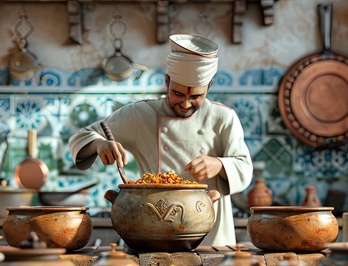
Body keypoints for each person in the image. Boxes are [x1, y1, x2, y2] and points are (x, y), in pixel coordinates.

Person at [69, 34, 253, 246]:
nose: (185, 104)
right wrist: (99, 143)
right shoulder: (140, 114)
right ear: (167, 81)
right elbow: (81, 136)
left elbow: (244, 167)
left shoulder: (223, 117)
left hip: (209, 230)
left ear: (209, 86)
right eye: (178, 94)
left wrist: (220, 164)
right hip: (151, 228)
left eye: (195, 97)